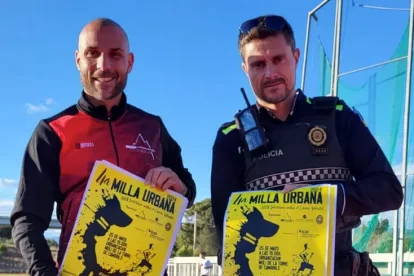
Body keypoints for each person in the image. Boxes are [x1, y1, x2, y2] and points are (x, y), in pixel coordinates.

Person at [210, 14, 403, 275]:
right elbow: (226, 233)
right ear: (245, 68)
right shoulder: (231, 137)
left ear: (296, 57)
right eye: (258, 64)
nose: (270, 73)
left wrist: (323, 198)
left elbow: (389, 190)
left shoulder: (337, 116)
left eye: (278, 59)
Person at [10, 18, 196, 276]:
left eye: (115, 55)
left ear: (129, 62)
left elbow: (186, 190)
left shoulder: (153, 127)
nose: (104, 65)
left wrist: (181, 186)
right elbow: (27, 220)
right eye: (92, 54)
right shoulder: (51, 132)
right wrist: (43, 271)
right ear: (78, 60)